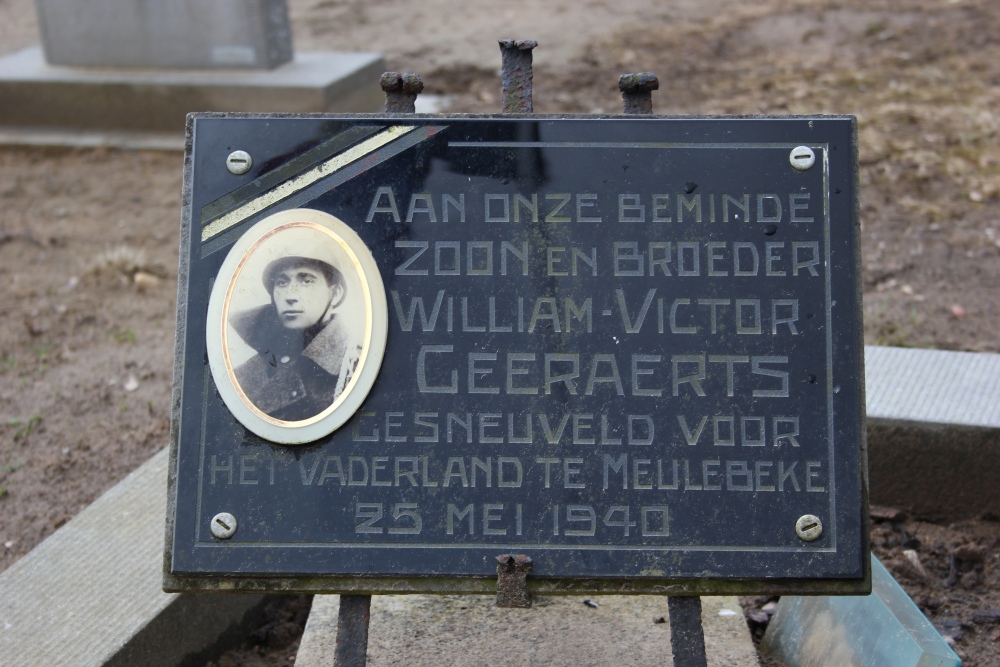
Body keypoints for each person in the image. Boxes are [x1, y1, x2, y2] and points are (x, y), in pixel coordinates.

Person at [229, 248, 362, 422]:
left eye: (306, 281)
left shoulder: (355, 365)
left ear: (335, 294)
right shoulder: (242, 375)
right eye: (282, 282)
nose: (290, 295)